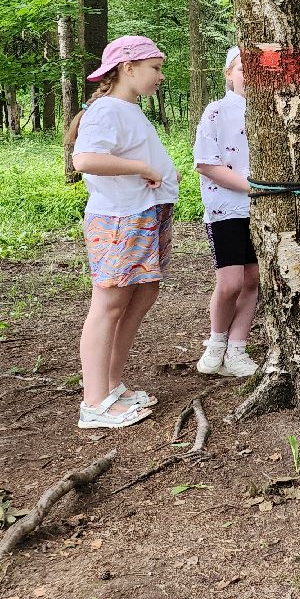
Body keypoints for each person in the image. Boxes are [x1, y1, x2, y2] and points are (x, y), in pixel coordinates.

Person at [67, 36, 179, 429]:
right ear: (128, 68)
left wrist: (161, 174)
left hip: (145, 214)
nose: (160, 77)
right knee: (109, 304)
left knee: (144, 292)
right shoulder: (106, 110)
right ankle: (94, 401)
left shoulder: (127, 109)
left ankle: (112, 384)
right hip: (120, 219)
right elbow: (85, 159)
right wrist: (144, 169)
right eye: (156, 68)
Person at [192, 47, 260, 378]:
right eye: (242, 68)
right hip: (226, 208)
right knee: (231, 282)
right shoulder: (216, 111)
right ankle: (216, 341)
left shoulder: (269, 112)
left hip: (262, 210)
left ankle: (237, 347)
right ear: (228, 74)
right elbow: (206, 164)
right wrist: (252, 186)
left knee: (254, 279)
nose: (248, 74)